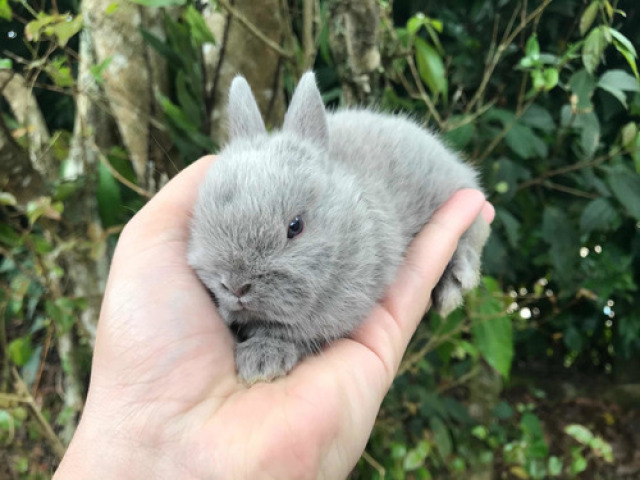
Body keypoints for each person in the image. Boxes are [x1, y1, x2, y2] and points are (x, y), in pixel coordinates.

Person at [54, 155, 494, 479]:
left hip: (397, 172)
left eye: (294, 230)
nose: (240, 286)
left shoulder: (354, 229)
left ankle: (465, 241)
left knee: (459, 204)